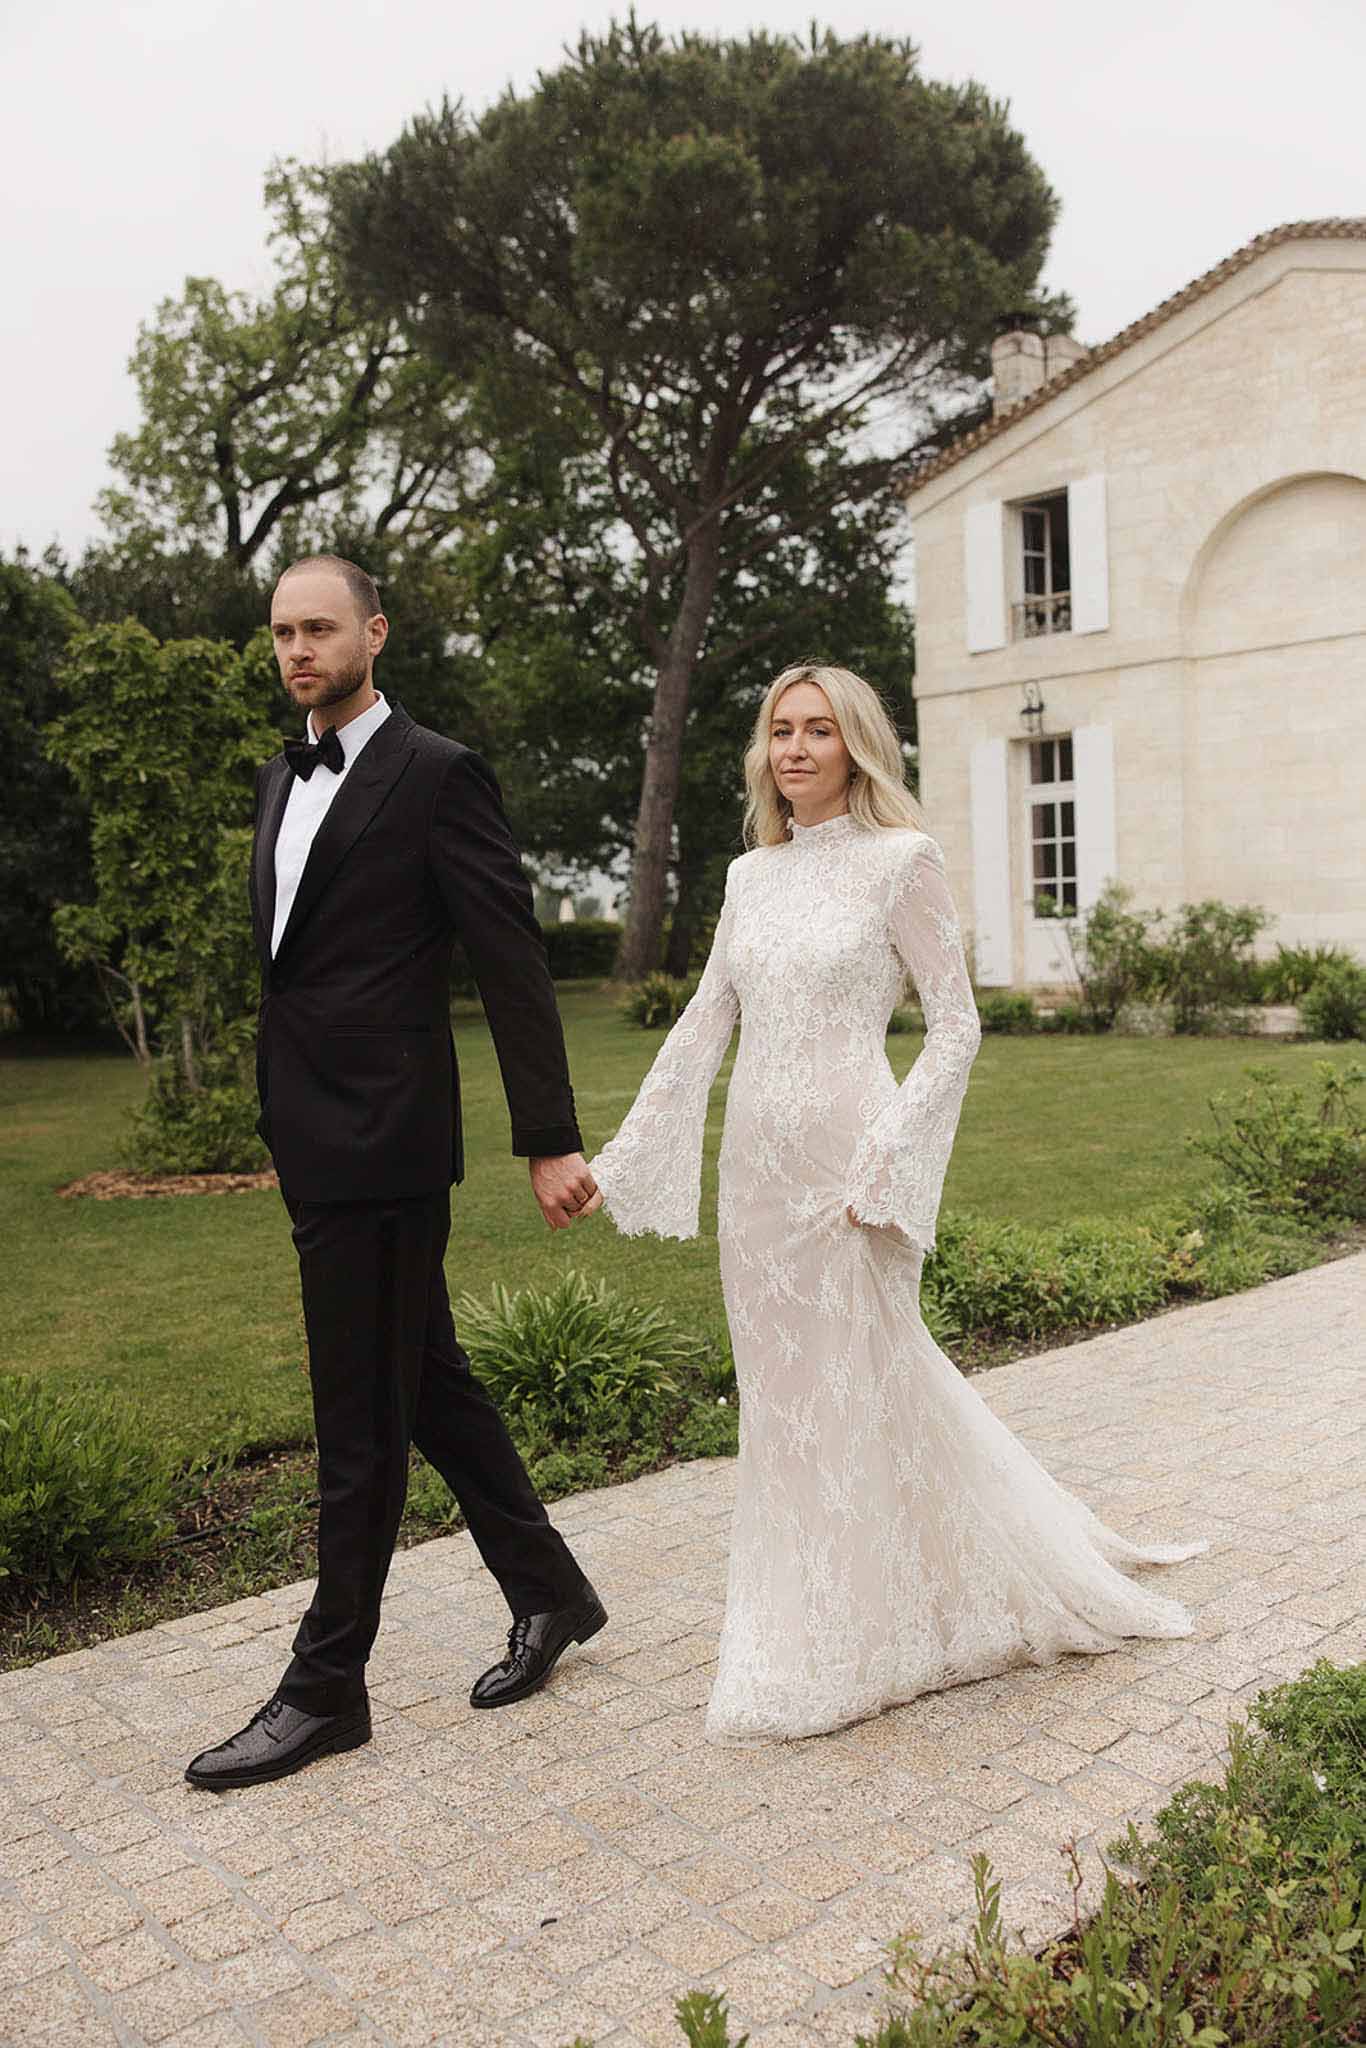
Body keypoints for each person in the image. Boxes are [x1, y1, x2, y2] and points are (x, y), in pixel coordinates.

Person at [590, 663, 1204, 1745]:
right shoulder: (747, 875)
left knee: (866, 1378)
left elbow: (957, 1025)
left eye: (818, 730)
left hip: (851, 1163)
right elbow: (703, 1021)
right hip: (757, 1177)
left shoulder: (901, 861)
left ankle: (873, 1628)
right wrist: (625, 1154)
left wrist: (890, 1156)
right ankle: (816, 1608)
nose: (794, 748)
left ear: (857, 746)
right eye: (780, 730)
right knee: (785, 1402)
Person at [186, 555, 605, 1791]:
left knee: (358, 1420)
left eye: (318, 627)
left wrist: (549, 1135)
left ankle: (327, 1688)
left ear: (375, 632)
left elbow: (510, 960)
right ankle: (550, 1588)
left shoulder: (435, 773)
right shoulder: (280, 774)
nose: (297, 650)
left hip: (384, 1140)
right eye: (281, 632)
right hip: (308, 1130)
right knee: (422, 1378)